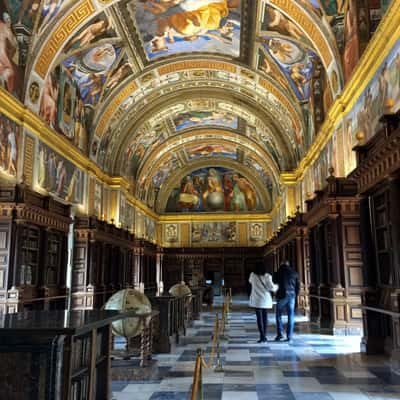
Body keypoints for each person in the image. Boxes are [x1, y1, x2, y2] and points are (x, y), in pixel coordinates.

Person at [249, 262, 278, 343]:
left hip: (256, 300)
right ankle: (264, 335)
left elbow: (250, 282)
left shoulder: (252, 275)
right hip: (265, 299)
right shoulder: (267, 276)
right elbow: (272, 288)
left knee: (259, 318)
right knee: (265, 318)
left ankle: (262, 336)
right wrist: (277, 286)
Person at [273, 260, 300, 342]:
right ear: (288, 264)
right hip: (292, 295)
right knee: (291, 315)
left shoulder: (277, 273)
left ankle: (280, 334)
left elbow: (274, 283)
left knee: (278, 315)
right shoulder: (294, 273)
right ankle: (289, 336)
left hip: (281, 295)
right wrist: (295, 294)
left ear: (281, 264)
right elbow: (297, 286)